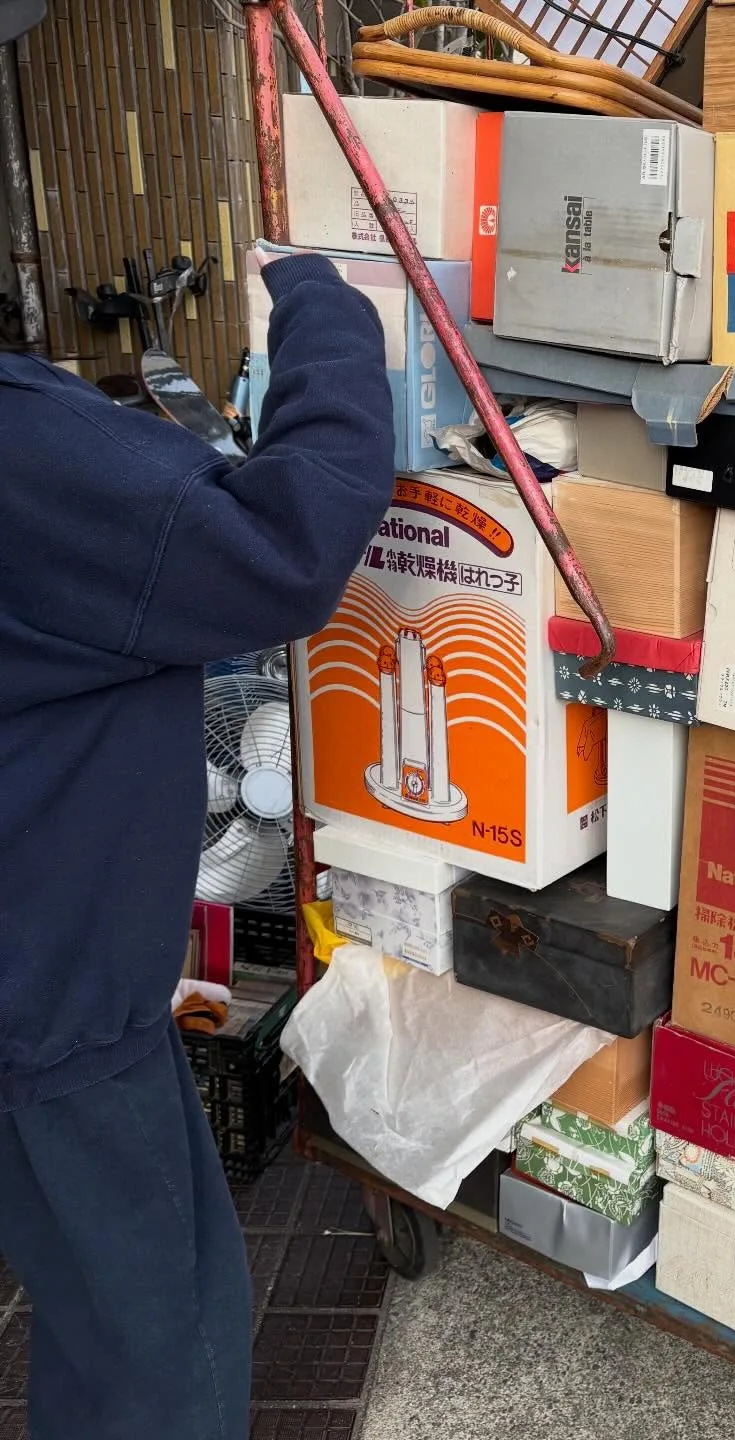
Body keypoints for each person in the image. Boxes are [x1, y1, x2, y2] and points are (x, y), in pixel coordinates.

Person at [0, 228, 396, 1438]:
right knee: (157, 1355)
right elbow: (287, 543)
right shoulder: (22, 447)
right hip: (51, 1011)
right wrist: (330, 300)